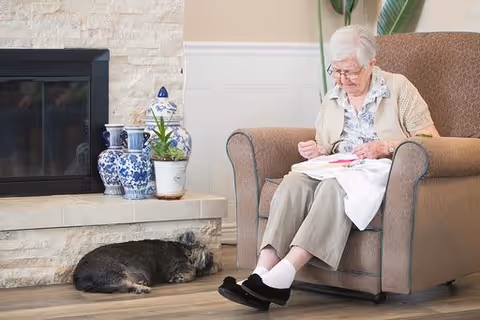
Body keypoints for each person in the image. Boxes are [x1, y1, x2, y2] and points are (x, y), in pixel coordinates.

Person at [218, 24, 440, 310]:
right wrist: (316, 149)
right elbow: (326, 143)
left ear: (371, 64)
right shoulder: (333, 95)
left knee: (335, 189)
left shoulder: (398, 88)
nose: (341, 79)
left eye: (350, 72)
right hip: (340, 165)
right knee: (294, 183)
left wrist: (386, 146)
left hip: (382, 169)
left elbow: (431, 139)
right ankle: (260, 274)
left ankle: (284, 275)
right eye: (336, 71)